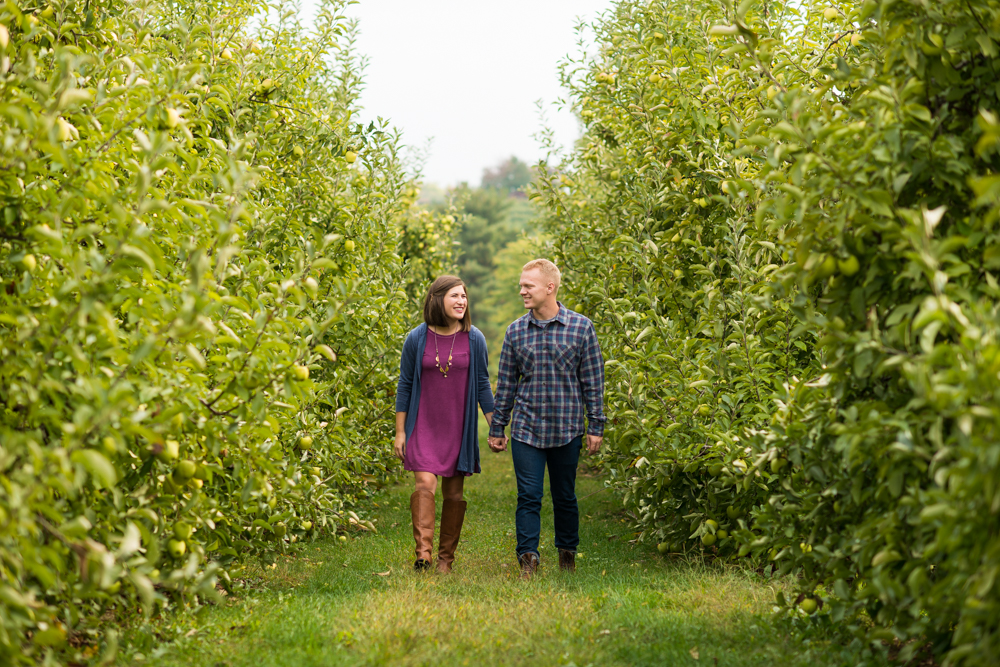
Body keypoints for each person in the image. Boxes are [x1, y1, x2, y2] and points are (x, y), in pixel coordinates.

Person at [488, 259, 605, 579]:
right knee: (528, 496)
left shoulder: (581, 328)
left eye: (529, 285)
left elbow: (593, 381)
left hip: (567, 428)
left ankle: (567, 554)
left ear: (549, 288)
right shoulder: (515, 331)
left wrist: (596, 425)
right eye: (521, 285)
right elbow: (507, 383)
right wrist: (498, 426)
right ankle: (528, 558)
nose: (522, 290)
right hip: (527, 429)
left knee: (565, 495)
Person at [394, 275, 494, 573]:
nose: (461, 301)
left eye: (464, 296)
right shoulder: (417, 338)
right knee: (425, 483)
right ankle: (423, 555)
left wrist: (495, 424)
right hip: (423, 423)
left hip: (457, 427)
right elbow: (405, 385)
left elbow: (482, 384)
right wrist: (400, 432)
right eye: (454, 295)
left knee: (453, 494)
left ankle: (445, 560)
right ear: (437, 299)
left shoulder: (474, 338)